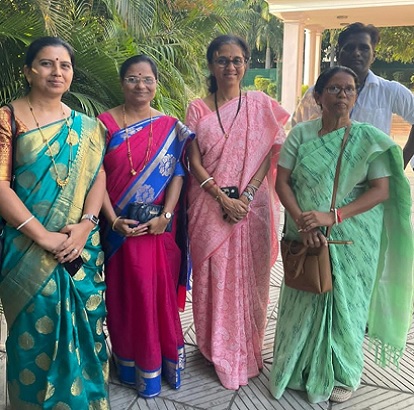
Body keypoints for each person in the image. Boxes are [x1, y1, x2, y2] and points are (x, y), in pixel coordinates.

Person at [269, 66, 413, 403]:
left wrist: (332, 217)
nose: (343, 95)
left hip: (352, 238)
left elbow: (380, 190)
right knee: (304, 294)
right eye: (334, 89)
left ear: (356, 96)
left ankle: (342, 372)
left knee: (347, 304)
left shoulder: (367, 140)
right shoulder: (301, 135)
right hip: (303, 232)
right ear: (318, 96)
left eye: (349, 89)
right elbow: (282, 182)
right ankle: (298, 365)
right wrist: (303, 222)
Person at [0, 37, 109, 409]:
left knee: (88, 330)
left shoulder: (88, 127)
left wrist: (86, 225)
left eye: (65, 65)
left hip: (80, 247)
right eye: (46, 63)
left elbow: (98, 177)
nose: (57, 72)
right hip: (26, 248)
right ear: (28, 71)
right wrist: (43, 236)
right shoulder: (8, 118)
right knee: (33, 337)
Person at [186, 34, 289, 390]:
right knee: (213, 277)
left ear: (246, 63)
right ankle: (215, 348)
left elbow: (271, 150)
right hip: (209, 204)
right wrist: (221, 196)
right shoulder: (197, 108)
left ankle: (248, 348)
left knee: (252, 279)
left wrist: (246, 195)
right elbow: (193, 159)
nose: (230, 66)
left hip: (252, 206)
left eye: (237, 60)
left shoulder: (260, 104)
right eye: (222, 59)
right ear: (211, 64)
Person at [98, 54, 194, 398]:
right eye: (132, 79)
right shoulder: (103, 124)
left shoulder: (170, 126)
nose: (140, 85)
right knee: (124, 297)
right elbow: (96, 177)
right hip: (118, 231)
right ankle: (129, 365)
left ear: (156, 84)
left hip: (157, 231)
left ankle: (161, 363)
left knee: (157, 296)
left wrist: (165, 217)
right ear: (122, 82)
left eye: (147, 79)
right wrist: (113, 220)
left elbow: (179, 175)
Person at [291, 22, 414, 168]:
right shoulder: (317, 94)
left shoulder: (390, 91)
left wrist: (399, 164)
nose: (356, 53)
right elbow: (297, 133)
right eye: (349, 48)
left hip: (371, 178)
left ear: (373, 56)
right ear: (338, 54)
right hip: (322, 177)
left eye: (364, 48)